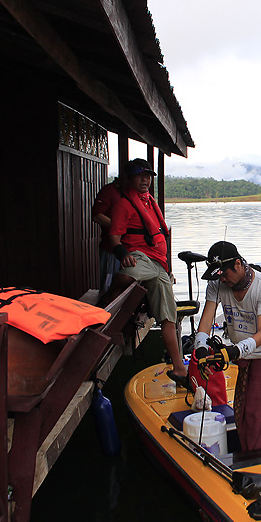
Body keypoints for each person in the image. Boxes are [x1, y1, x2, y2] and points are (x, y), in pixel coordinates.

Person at [99, 158, 187, 386]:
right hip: (140, 257)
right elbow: (115, 237)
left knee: (169, 316)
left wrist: (166, 267)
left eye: (148, 176)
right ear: (130, 179)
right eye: (140, 176)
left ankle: (179, 368)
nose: (146, 180)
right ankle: (102, 310)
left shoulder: (149, 202)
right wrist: (122, 254)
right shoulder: (124, 204)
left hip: (159, 266)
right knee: (130, 274)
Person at [194, 241, 261, 453]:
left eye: (224, 273)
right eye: (218, 275)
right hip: (242, 351)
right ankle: (248, 452)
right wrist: (200, 348)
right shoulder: (217, 284)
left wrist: (234, 351)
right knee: (241, 409)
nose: (222, 279)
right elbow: (206, 320)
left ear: (238, 264)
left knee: (258, 413)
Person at [91, 172, 127, 294]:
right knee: (108, 286)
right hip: (110, 248)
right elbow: (97, 215)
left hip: (127, 249)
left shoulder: (130, 194)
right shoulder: (110, 190)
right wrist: (117, 226)